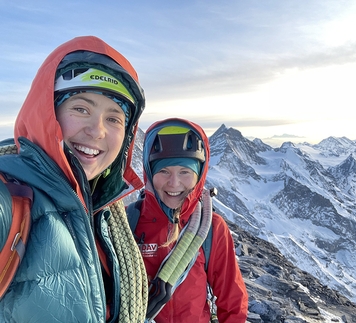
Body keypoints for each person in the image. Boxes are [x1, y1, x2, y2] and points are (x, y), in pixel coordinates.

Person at [0, 36, 148, 322]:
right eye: (81, 109)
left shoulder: (102, 213)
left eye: (114, 118)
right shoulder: (11, 194)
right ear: (48, 113)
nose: (97, 131)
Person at [129, 117, 248, 323]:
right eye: (164, 171)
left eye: (185, 172)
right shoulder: (128, 222)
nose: (174, 183)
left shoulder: (212, 228)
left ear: (199, 175)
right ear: (149, 173)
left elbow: (232, 299)